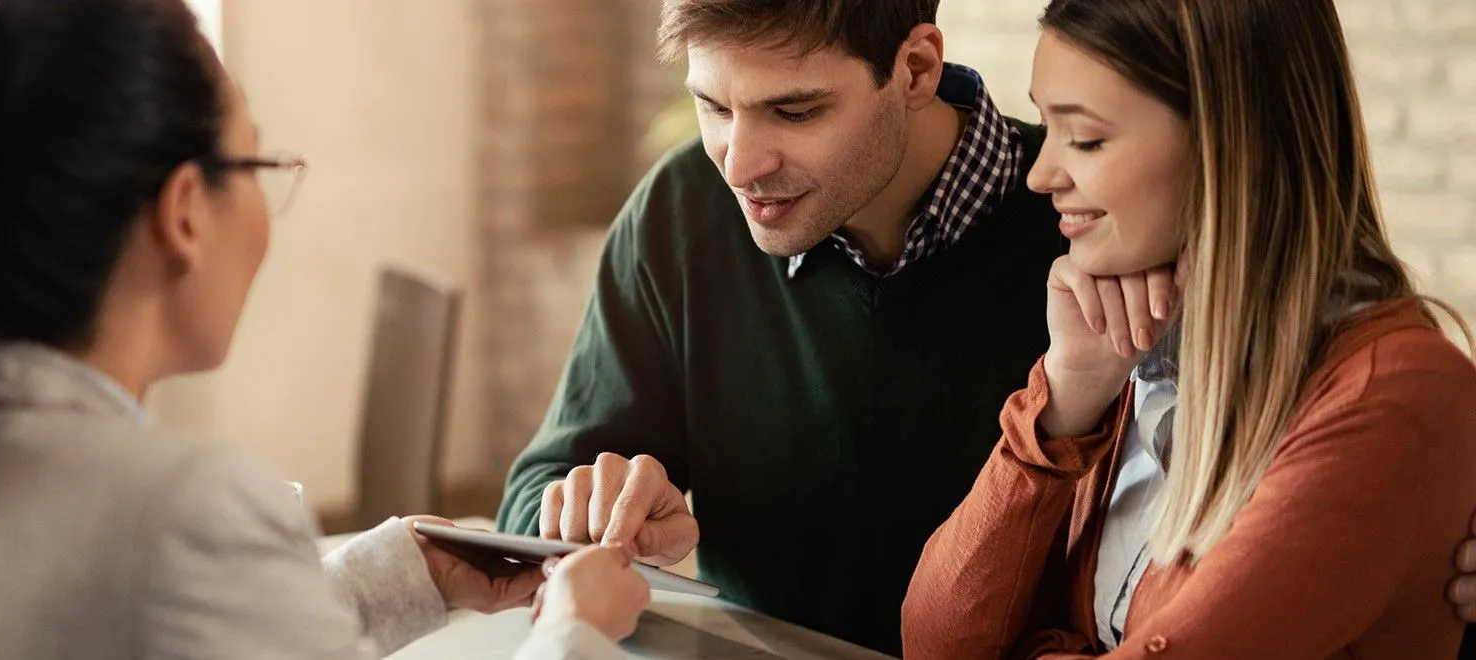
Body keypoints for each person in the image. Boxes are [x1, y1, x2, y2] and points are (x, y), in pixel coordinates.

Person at [497, 0, 1476, 656]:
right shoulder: (685, 211)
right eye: (710, 106)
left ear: (918, 65)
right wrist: (587, 509)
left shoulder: (1107, 250)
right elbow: (530, 501)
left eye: (794, 110)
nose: (738, 160)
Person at [0, 0, 649, 657]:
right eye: (256, 160)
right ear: (184, 210)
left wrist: (398, 571)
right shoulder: (180, 511)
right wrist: (574, 632)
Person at [899, 0, 1476, 657]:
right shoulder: (1134, 337)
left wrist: (1037, 646)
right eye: (1049, 126)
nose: (1040, 175)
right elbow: (936, 643)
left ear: (1233, 148)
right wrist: (1065, 396)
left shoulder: (1389, 392)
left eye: (1085, 138)